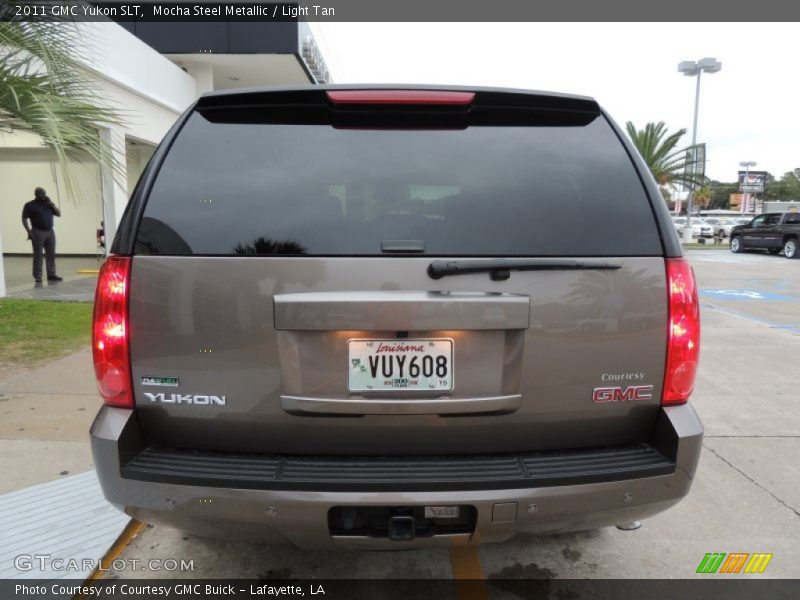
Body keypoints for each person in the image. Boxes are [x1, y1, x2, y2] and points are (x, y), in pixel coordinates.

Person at [21, 187, 63, 283]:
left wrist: (51, 203)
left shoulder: (48, 204)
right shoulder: (29, 205)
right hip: (37, 231)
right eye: (41, 194)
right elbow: (24, 218)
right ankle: (38, 276)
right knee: (38, 255)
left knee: (51, 254)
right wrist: (29, 231)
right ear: (36, 194)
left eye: (44, 193)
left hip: (50, 231)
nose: (43, 195)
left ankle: (51, 274)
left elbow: (59, 214)